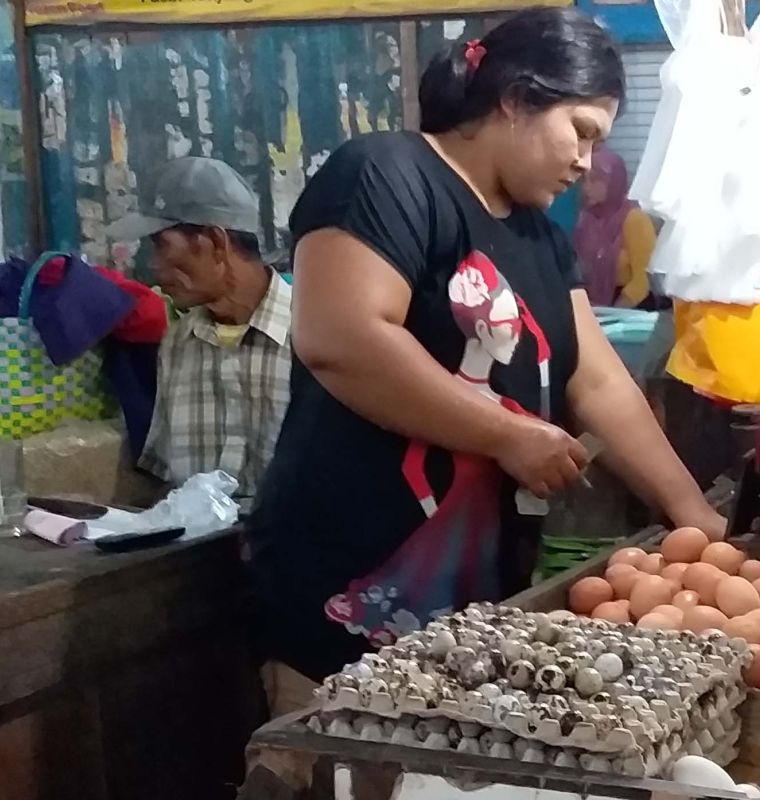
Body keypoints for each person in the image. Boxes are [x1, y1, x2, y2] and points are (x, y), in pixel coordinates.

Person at [247, 6, 726, 712]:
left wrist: (693, 516)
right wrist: (507, 434)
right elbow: (340, 338)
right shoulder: (384, 175)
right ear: (514, 99)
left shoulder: (537, 237)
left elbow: (596, 379)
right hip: (341, 584)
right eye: (581, 131)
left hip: (474, 612)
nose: (587, 161)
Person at [106, 157, 292, 502]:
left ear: (217, 243)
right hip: (196, 552)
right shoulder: (177, 344)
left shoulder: (312, 337)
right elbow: (163, 478)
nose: (154, 266)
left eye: (162, 246)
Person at [574, 146, 659, 308]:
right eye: (584, 179)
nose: (586, 187)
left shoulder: (634, 219)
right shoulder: (587, 220)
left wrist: (613, 311)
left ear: (614, 182)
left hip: (631, 309)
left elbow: (644, 279)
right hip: (595, 306)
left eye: (595, 180)